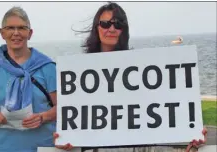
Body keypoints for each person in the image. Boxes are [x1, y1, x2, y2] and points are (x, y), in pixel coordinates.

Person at [53, 2, 208, 151]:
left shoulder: (139, 68)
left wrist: (190, 129)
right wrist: (66, 138)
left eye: (118, 24)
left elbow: (159, 108)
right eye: (106, 24)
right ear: (97, 28)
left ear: (124, 29)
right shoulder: (79, 71)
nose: (112, 29)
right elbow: (78, 115)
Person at [0, 6, 57, 152]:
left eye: (21, 28)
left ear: (30, 33)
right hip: (7, 147)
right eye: (10, 28)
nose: (16, 33)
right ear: (2, 33)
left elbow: (65, 108)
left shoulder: (48, 67)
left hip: (45, 147)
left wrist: (43, 117)